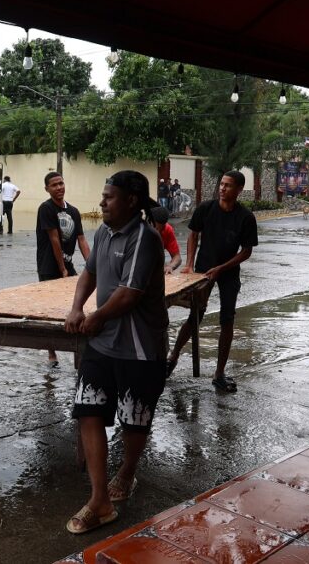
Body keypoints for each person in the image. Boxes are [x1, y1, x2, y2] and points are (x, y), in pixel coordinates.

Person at [63, 171, 168, 535]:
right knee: (88, 412)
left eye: (109, 197)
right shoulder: (104, 232)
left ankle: (127, 472)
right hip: (103, 342)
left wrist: (97, 316)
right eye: (103, 196)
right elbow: (89, 274)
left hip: (139, 348)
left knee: (133, 420)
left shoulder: (145, 238)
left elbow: (130, 293)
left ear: (131, 202)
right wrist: (78, 308)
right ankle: (99, 500)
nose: (102, 202)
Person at [166, 171, 258, 392]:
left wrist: (222, 268)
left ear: (238, 190)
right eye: (222, 184)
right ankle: (173, 357)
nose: (222, 188)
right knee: (195, 314)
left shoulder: (245, 217)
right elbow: (193, 234)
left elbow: (246, 251)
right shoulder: (206, 208)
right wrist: (190, 263)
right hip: (203, 270)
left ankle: (219, 373)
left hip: (228, 272)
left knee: (227, 319)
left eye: (228, 186)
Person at [36, 171, 91, 367]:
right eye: (54, 185)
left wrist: (93, 265)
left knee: (77, 304)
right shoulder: (46, 209)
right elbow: (54, 239)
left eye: (61, 183)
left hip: (67, 266)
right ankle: (52, 353)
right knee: (49, 309)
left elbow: (82, 240)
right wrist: (62, 269)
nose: (59, 187)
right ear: (47, 189)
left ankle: (77, 350)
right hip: (49, 267)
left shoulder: (74, 211)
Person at [150, 206, 182, 273]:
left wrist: (171, 266)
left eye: (161, 230)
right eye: (155, 228)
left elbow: (177, 257)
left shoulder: (167, 229)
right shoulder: (139, 230)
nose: (158, 233)